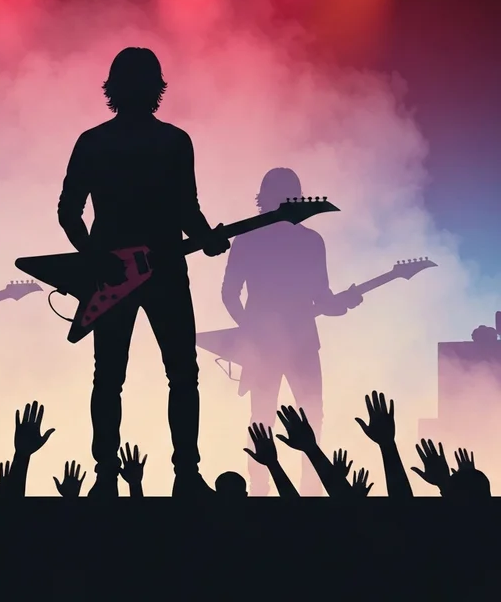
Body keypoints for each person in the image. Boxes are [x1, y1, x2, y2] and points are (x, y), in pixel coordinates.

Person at [57, 47, 230, 498]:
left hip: (123, 274)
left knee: (109, 378)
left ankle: (107, 478)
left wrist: (95, 257)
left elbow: (69, 213)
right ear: (158, 88)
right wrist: (207, 237)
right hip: (167, 273)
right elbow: (186, 210)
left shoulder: (94, 142)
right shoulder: (174, 141)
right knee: (181, 375)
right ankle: (185, 476)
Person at [221, 167, 362, 496]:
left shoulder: (299, 241)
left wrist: (344, 302)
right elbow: (323, 299)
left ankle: (283, 489)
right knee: (285, 417)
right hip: (289, 343)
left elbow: (321, 298)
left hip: (290, 343)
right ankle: (291, 490)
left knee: (277, 417)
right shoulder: (297, 240)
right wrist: (254, 333)